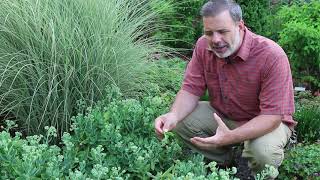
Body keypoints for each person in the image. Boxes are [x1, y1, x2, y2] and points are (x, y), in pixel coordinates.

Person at [154, 0, 296, 178]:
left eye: (222, 31)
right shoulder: (202, 46)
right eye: (209, 33)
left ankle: (254, 159)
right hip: (225, 116)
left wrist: (230, 137)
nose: (215, 40)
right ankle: (232, 157)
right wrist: (173, 116)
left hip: (265, 122)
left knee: (262, 152)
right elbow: (191, 89)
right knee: (180, 121)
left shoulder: (271, 55)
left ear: (240, 26)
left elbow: (272, 117)